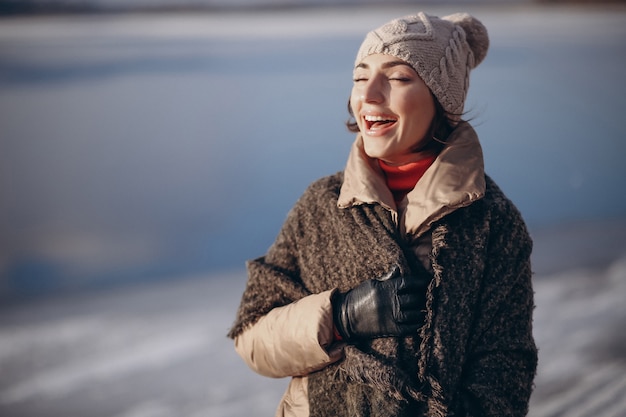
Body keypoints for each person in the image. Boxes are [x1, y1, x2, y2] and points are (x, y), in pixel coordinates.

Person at [228, 11, 538, 417]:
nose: (369, 95)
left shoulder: (491, 223)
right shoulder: (323, 205)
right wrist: (339, 316)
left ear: (443, 100)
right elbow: (252, 337)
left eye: (397, 77)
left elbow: (506, 374)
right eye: (360, 77)